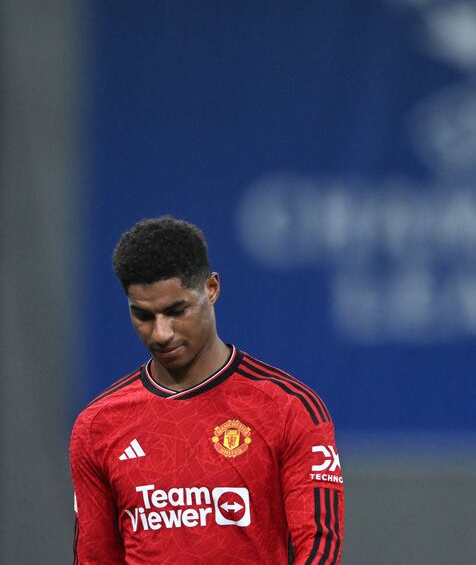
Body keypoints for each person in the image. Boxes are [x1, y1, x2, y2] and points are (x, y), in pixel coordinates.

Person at [69, 216, 343, 564]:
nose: (161, 333)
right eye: (143, 316)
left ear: (211, 288)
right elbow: (93, 557)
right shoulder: (97, 426)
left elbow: (320, 547)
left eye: (176, 310)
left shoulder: (288, 408)